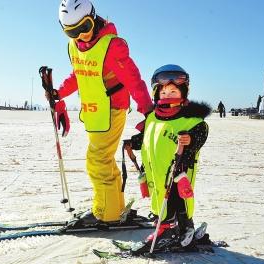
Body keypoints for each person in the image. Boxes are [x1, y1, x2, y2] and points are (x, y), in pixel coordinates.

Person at [48, 0, 153, 224]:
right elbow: (79, 74)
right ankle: (114, 206)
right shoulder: (76, 47)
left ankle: (107, 214)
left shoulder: (112, 46)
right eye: (71, 32)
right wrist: (60, 93)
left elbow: (134, 80)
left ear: (93, 18)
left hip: (112, 110)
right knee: (103, 160)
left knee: (97, 161)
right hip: (94, 112)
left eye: (83, 28)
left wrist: (148, 111)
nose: (79, 36)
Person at [130, 64, 211, 252]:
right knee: (161, 201)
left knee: (176, 201)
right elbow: (148, 138)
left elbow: (200, 136)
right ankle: (184, 231)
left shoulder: (193, 121)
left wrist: (190, 139)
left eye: (173, 91)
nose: (168, 95)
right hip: (155, 173)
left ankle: (168, 231)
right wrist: (134, 142)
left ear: (183, 92)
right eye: (164, 92)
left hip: (178, 174)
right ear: (156, 94)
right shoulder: (152, 117)